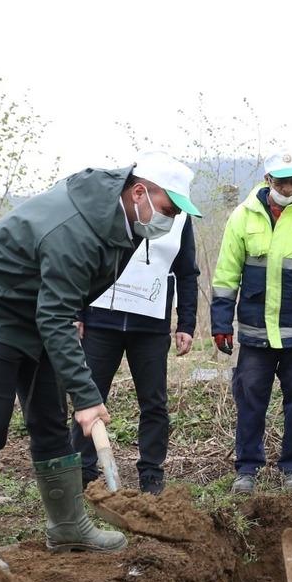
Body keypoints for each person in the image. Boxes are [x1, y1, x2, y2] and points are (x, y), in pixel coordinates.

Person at [0, 152, 203, 568]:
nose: (170, 221)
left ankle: (68, 527)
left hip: (36, 310)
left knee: (49, 420)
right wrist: (87, 397)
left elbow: (58, 308)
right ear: (139, 192)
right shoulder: (77, 228)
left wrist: (79, 390)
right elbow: (57, 316)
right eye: (168, 210)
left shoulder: (125, 222)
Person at [210, 152, 292, 493]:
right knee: (250, 400)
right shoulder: (242, 216)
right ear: (268, 179)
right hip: (256, 333)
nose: (289, 188)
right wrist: (221, 323)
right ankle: (247, 469)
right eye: (282, 181)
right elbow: (226, 274)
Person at [71, 168, 201, 496]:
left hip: (151, 325)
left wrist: (186, 323)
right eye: (169, 205)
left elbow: (187, 272)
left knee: (154, 402)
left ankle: (152, 474)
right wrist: (76, 312)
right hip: (101, 320)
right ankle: (83, 472)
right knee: (90, 395)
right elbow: (82, 261)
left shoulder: (181, 220)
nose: (172, 213)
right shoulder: (115, 210)